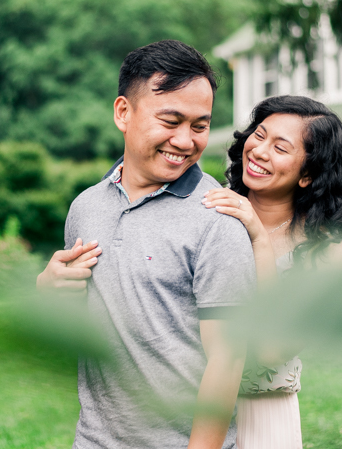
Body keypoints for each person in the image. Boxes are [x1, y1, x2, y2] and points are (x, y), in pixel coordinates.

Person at [36, 40, 256, 449]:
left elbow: (227, 360)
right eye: (170, 120)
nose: (186, 141)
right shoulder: (85, 207)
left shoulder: (218, 219)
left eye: (199, 125)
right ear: (124, 112)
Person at [201, 95, 342, 449]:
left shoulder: (328, 251)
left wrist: (259, 239)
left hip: (262, 416)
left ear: (307, 174)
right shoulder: (210, 211)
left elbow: (274, 347)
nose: (259, 151)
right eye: (259, 135)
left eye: (280, 147)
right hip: (190, 406)